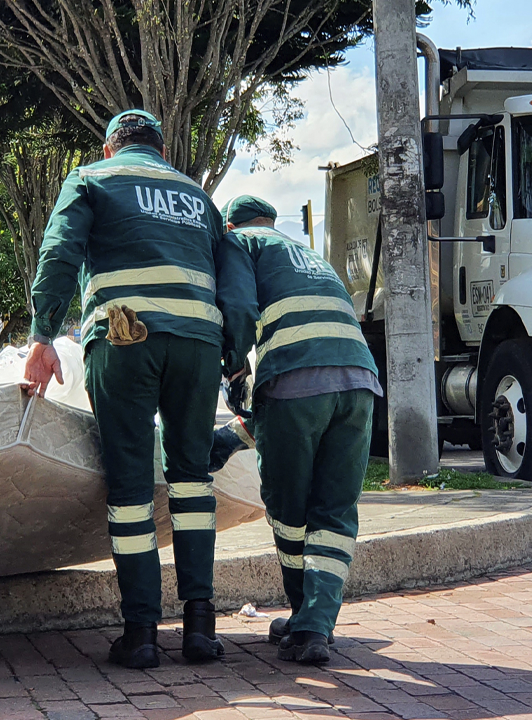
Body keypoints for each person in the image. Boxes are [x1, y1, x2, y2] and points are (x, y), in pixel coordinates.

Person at [23, 110, 226, 669]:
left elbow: (59, 253)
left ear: (111, 148)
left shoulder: (92, 177)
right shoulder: (196, 195)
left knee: (131, 483)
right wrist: (230, 357)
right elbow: (229, 278)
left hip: (123, 337)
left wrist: (42, 335)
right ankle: (201, 628)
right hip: (198, 344)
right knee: (192, 480)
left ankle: (141, 635)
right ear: (161, 149)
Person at [211, 196, 381, 665]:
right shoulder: (308, 255)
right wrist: (231, 438)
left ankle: (305, 621)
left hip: (293, 379)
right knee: (335, 511)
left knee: (289, 511)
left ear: (231, 225)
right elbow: (303, 404)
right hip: (360, 382)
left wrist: (234, 367)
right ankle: (316, 622)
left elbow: (238, 308)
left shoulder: (239, 242)